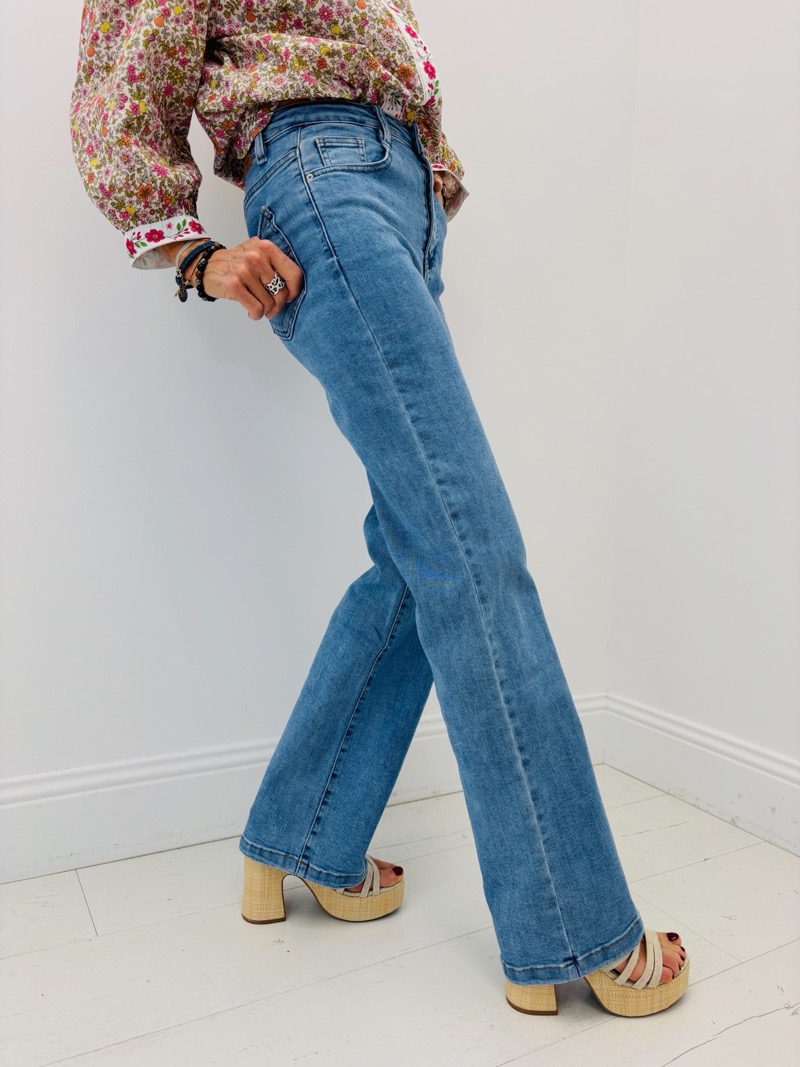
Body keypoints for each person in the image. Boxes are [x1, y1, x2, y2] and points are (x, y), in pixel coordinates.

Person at [70, 0, 689, 1018]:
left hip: (387, 195)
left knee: (417, 547)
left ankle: (304, 833)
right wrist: (190, 251)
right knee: (470, 546)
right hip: (326, 179)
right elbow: (125, 71)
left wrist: (427, 178)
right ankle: (571, 928)